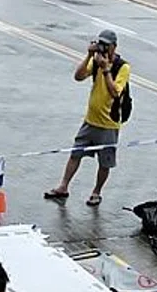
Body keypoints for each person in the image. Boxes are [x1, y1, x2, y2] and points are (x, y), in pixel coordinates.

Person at [43, 30, 130, 208]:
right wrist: (89, 55)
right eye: (101, 44)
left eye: (106, 45)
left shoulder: (122, 67)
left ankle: (96, 192)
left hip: (109, 124)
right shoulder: (96, 61)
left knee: (104, 162)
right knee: (75, 153)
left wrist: (106, 70)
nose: (103, 48)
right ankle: (63, 186)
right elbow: (79, 76)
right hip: (90, 120)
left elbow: (115, 92)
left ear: (114, 46)